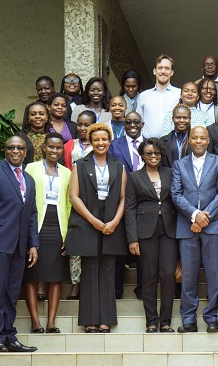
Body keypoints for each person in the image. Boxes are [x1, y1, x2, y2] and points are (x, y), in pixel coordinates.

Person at [0, 136, 39, 352]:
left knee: (12, 293)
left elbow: (31, 214)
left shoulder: (29, 180)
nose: (15, 151)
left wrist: (33, 244)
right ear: (5, 150)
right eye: (10, 147)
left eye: (19, 148)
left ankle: (10, 336)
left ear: (25, 152)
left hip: (20, 246)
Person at [64, 123, 127, 334]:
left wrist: (115, 221)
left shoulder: (118, 166)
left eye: (104, 139)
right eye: (97, 140)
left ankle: (105, 320)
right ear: (90, 142)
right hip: (87, 222)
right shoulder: (80, 165)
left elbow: (123, 198)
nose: (101, 143)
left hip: (111, 223)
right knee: (90, 271)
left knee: (108, 271)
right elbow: (74, 196)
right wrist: (93, 221)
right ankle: (90, 321)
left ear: (109, 141)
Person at [171, 126, 218, 333]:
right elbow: (176, 194)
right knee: (188, 275)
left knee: (214, 275)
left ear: (207, 140)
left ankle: (213, 317)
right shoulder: (179, 164)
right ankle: (188, 320)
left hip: (213, 226)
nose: (198, 141)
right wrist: (195, 215)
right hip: (187, 226)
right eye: (194, 138)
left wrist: (204, 217)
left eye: (202, 138)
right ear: (189, 140)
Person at [125, 138, 178, 333]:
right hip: (145, 231)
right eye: (149, 153)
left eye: (156, 153)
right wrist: (132, 238)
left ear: (162, 154)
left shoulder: (171, 173)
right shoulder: (134, 177)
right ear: (143, 155)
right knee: (149, 276)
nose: (153, 156)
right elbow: (129, 208)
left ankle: (165, 321)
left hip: (169, 230)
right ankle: (151, 321)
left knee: (168, 274)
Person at [23, 133, 71, 334]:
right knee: (32, 275)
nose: (54, 150)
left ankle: (51, 322)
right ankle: (35, 322)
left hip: (58, 227)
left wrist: (68, 235)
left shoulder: (68, 172)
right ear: (44, 147)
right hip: (35, 225)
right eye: (51, 147)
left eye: (58, 147)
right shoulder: (31, 168)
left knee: (55, 275)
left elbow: (70, 204)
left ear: (62, 150)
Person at [108, 111, 146, 299]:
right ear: (123, 124)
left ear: (142, 124)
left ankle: (142, 289)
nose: (132, 125)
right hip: (120, 202)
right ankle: (116, 290)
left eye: (136, 122)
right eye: (128, 122)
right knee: (120, 248)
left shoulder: (152, 144)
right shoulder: (114, 145)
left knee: (144, 249)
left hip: (146, 205)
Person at [62, 110, 96, 299]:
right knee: (75, 243)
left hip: (94, 199)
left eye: (87, 125)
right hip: (72, 195)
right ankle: (75, 284)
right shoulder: (69, 145)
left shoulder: (100, 144)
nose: (83, 128)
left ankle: (89, 284)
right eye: (80, 124)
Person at [137, 54, 181, 138]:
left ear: (172, 73)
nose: (163, 71)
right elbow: (138, 122)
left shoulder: (179, 94)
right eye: (160, 68)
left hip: (172, 146)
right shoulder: (144, 96)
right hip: (149, 145)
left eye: (167, 68)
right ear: (154, 71)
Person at [17, 100, 52, 167]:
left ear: (47, 117)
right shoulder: (19, 137)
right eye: (33, 114)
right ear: (28, 118)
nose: (37, 116)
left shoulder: (52, 137)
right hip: (25, 174)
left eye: (41, 114)